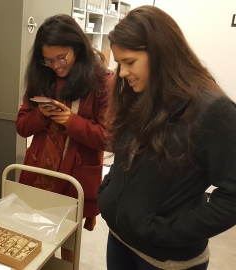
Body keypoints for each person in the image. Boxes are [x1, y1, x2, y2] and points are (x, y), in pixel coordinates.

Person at [98, 5, 236, 270]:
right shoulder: (139, 93)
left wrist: (166, 232)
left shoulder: (214, 111)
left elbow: (232, 197)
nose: (123, 73)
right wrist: (108, 193)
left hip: (165, 260)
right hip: (120, 239)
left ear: (160, 54)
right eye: (120, 63)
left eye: (130, 62)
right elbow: (124, 155)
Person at [15, 14, 113, 262]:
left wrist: (71, 121)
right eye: (48, 60)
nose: (56, 65)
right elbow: (22, 127)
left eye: (62, 58)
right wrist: (41, 115)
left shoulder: (102, 79)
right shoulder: (43, 75)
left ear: (77, 47)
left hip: (75, 179)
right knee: (34, 240)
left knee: (69, 246)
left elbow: (108, 137)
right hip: (39, 174)